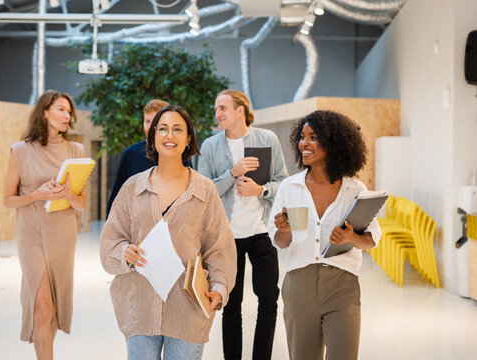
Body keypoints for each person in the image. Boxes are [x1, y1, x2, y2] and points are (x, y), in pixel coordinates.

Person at [100, 105, 237, 360]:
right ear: (153, 137)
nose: (169, 136)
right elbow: (110, 241)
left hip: (187, 310)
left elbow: (220, 248)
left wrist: (219, 288)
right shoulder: (133, 188)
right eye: (162, 129)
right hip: (139, 308)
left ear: (188, 140)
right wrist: (124, 252)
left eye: (177, 130)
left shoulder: (205, 191)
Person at [268, 110, 382, 360]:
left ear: (333, 143)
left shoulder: (354, 189)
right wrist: (284, 230)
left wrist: (351, 237)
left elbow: (371, 239)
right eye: (302, 137)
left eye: (313, 137)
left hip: (343, 288)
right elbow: (280, 242)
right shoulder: (289, 187)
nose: (303, 143)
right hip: (299, 285)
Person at [197, 90, 288, 360]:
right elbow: (204, 190)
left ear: (240, 110)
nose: (218, 114)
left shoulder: (267, 139)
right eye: (215, 109)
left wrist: (260, 190)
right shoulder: (210, 146)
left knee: (269, 301)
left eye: (223, 108)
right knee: (230, 304)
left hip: (262, 233)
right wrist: (232, 173)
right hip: (227, 236)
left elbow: (282, 182)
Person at [3, 90, 87, 359]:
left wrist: (68, 194)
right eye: (61, 109)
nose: (67, 115)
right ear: (45, 112)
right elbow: (8, 200)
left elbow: (82, 204)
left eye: (69, 110)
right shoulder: (20, 150)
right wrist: (37, 195)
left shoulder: (77, 150)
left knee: (52, 309)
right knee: (41, 304)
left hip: (63, 234)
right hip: (31, 234)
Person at [106, 99, 169, 218]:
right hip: (136, 229)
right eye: (147, 121)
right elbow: (117, 197)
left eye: (156, 121)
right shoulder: (130, 153)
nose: (151, 127)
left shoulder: (179, 153)